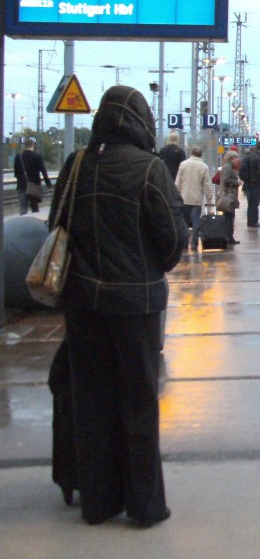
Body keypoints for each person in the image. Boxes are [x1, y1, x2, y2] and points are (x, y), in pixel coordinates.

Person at [47, 85, 187, 528]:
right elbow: (172, 240)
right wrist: (149, 269)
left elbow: (56, 224)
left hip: (83, 304)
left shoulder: (77, 164)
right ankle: (145, 506)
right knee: (139, 404)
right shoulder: (149, 169)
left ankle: (99, 502)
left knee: (92, 401)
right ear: (141, 121)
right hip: (136, 305)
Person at [174, 146, 214, 253]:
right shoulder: (204, 166)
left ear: (191, 153)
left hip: (184, 198)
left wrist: (175, 195)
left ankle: (184, 244)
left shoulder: (183, 164)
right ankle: (194, 244)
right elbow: (207, 185)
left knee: (184, 222)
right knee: (196, 222)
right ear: (201, 154)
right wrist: (210, 200)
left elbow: (178, 181)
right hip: (196, 199)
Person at [14, 137, 52, 214]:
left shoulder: (18, 157)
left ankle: (23, 222)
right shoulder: (37, 156)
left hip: (21, 185)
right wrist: (48, 183)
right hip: (34, 185)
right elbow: (43, 171)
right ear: (33, 146)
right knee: (35, 207)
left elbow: (16, 173)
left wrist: (21, 180)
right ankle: (34, 223)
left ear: (24, 146)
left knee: (23, 206)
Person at [217, 149, 242, 245]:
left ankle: (229, 237)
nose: (237, 160)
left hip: (229, 195)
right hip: (228, 195)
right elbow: (226, 180)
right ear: (231, 158)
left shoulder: (228, 167)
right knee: (229, 217)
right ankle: (228, 237)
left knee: (229, 217)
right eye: (236, 158)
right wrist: (237, 182)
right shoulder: (227, 167)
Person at [241, 140, 260, 228]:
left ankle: (250, 221)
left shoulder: (247, 157)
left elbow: (242, 170)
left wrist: (246, 179)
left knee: (250, 203)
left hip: (248, 184)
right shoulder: (259, 158)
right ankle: (254, 222)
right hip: (256, 185)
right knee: (255, 204)